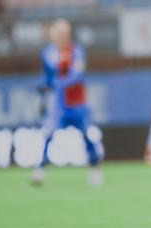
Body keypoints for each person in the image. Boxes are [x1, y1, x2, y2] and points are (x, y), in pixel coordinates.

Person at [31, 19, 103, 187]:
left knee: (86, 135)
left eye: (64, 33)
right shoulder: (48, 53)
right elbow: (47, 76)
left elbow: (77, 75)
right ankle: (40, 170)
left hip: (77, 102)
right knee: (48, 134)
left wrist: (57, 84)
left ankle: (94, 168)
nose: (61, 36)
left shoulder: (76, 52)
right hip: (59, 104)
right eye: (58, 33)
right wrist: (43, 87)